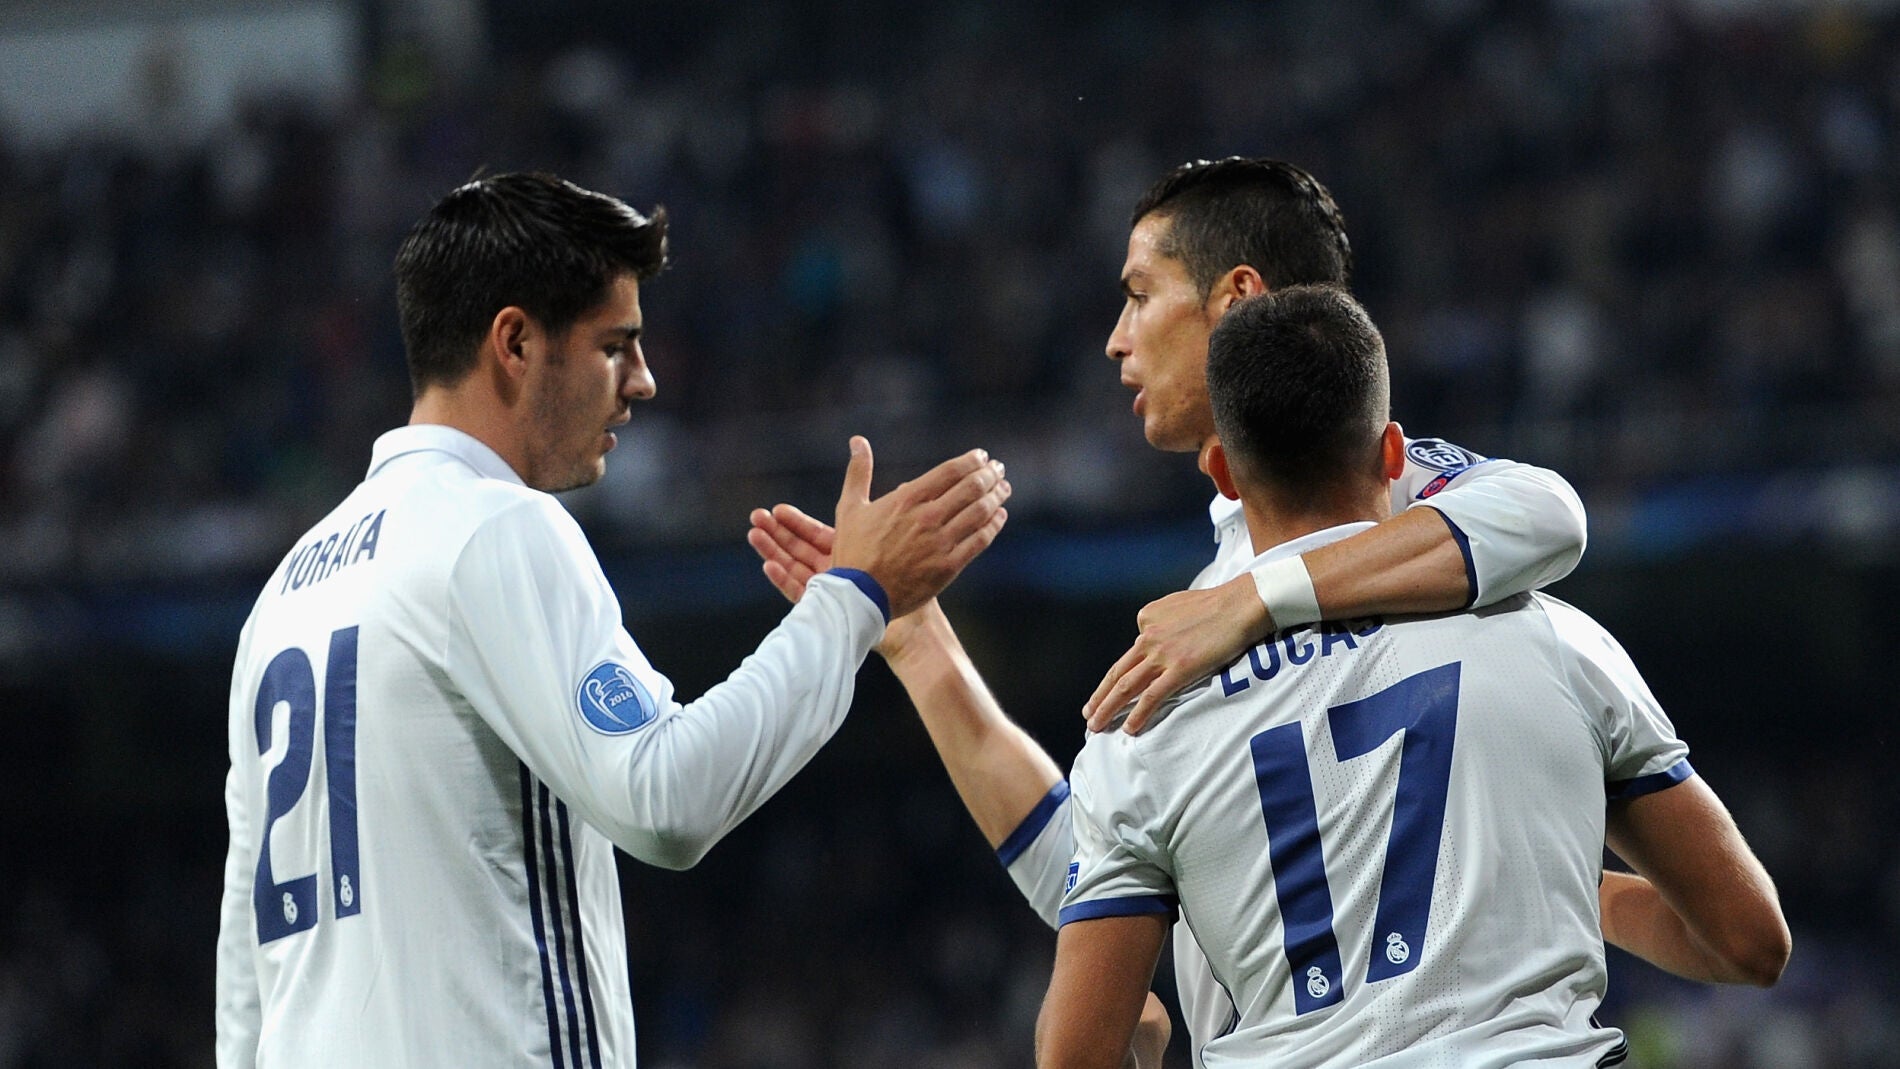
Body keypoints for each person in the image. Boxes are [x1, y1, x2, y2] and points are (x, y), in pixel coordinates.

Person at [747, 158, 1590, 1057]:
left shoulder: (1405, 495)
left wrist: (1255, 603)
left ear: (1235, 299)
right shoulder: (1220, 582)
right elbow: (1104, 860)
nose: (1116, 338)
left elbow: (1551, 514)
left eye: (1140, 295)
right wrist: (919, 644)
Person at [213, 172, 1012, 1068]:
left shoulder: (284, 593)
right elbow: (666, 796)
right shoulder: (493, 526)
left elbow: (248, 964)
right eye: (615, 346)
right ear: (514, 341)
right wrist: (854, 600)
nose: (644, 380)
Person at [1036, 285, 1788, 1068]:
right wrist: (1575, 884)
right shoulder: (1560, 640)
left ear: (1223, 471)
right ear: (1395, 454)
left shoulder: (1146, 718)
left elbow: (1076, 1055)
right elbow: (1749, 941)